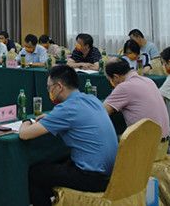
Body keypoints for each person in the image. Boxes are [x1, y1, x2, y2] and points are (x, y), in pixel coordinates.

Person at [20, 65, 117, 206]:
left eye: (49, 87)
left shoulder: (66, 108)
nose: (49, 91)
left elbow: (24, 134)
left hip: (93, 178)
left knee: (36, 174)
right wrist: (51, 118)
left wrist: (26, 121)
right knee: (57, 162)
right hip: (113, 172)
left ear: (59, 87)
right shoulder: (92, 99)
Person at [103, 58, 170, 140]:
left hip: (146, 144)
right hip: (163, 142)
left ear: (115, 77)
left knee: (109, 139)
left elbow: (102, 112)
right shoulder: (148, 81)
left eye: (110, 80)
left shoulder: (124, 87)